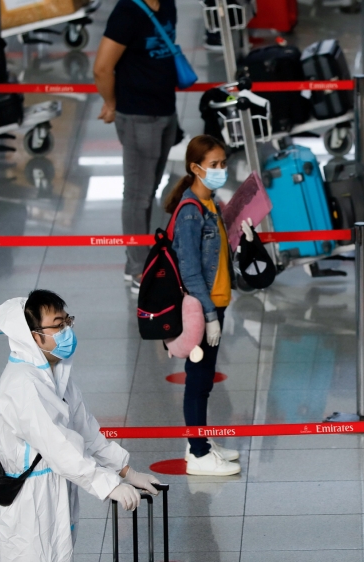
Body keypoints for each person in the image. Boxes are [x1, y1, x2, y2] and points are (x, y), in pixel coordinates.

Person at [0, 290, 162, 561]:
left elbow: (85, 431)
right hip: (28, 503)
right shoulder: (24, 383)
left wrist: (126, 471)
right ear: (34, 336)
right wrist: (107, 484)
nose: (66, 331)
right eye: (58, 326)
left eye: (67, 321)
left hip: (54, 490)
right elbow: (59, 447)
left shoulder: (55, 373)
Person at [163, 135, 241, 476]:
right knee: (198, 378)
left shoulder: (212, 203)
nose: (221, 169)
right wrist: (209, 316)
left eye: (223, 163)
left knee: (205, 377)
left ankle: (201, 441)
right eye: (213, 165)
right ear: (195, 168)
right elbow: (191, 271)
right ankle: (197, 452)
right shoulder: (191, 212)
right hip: (202, 307)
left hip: (216, 302)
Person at [94, 0, 180, 293]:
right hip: (139, 117)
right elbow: (102, 68)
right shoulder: (127, 12)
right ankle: (138, 269)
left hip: (166, 111)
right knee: (137, 195)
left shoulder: (167, 4)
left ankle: (142, 258)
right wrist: (112, 104)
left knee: (148, 190)